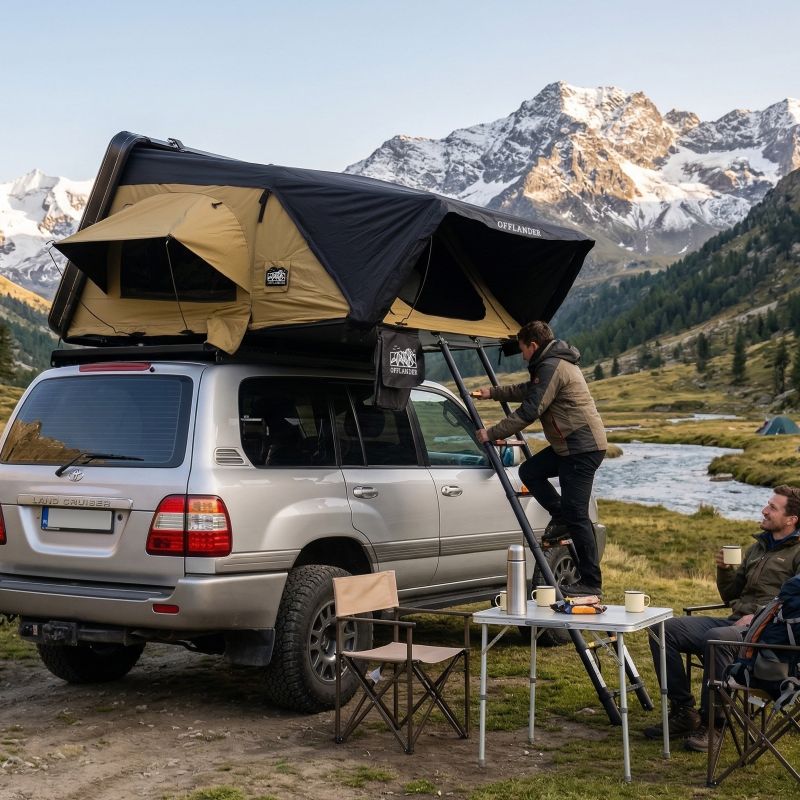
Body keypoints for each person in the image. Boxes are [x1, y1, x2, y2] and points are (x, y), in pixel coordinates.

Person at [644, 485, 800, 752]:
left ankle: (714, 725)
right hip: (735, 623)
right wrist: (725, 570)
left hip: (769, 635)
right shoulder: (758, 548)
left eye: (772, 508)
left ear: (791, 519)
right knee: (663, 629)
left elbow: (795, 603)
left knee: (716, 639)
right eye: (767, 504)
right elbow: (731, 595)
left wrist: (759, 618)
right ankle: (684, 711)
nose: (764, 510)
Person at [476, 320, 607, 596]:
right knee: (530, 472)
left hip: (581, 448)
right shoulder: (551, 363)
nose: (523, 356)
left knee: (577, 516)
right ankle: (560, 515)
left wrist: (491, 433)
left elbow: (530, 410)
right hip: (569, 447)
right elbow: (530, 389)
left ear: (533, 345)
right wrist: (493, 393)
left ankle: (591, 582)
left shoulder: (552, 365)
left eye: (523, 349)